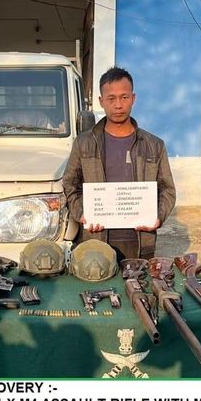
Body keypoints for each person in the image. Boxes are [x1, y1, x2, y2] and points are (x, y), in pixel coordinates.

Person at [62, 67, 176, 260]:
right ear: (101, 101)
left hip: (140, 242)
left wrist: (157, 216)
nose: (118, 105)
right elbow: (70, 184)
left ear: (133, 98)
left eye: (124, 97)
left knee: (139, 280)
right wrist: (82, 212)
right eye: (111, 98)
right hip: (95, 240)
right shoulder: (84, 143)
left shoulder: (154, 145)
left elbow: (167, 189)